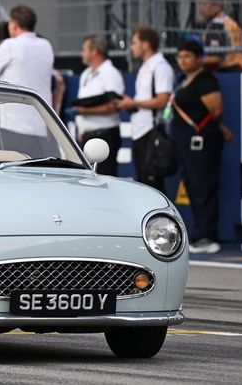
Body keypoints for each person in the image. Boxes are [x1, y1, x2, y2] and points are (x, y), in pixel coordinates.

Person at [172, 40, 231, 254]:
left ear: (199, 59)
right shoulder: (183, 80)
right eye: (180, 57)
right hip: (185, 141)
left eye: (187, 56)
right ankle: (199, 234)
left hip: (201, 141)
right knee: (193, 186)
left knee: (203, 186)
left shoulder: (205, 80)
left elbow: (216, 110)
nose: (183, 61)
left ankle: (208, 236)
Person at [0, 5, 55, 156]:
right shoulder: (46, 46)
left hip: (14, 126)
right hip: (41, 126)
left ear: (14, 25)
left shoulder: (10, 45)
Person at [117, 26, 174, 192]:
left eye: (134, 43)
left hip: (151, 130)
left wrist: (134, 103)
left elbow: (163, 100)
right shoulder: (145, 67)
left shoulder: (160, 66)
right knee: (144, 183)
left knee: (153, 185)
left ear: (146, 44)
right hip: (140, 130)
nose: (132, 47)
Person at [74, 35, 125, 176]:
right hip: (87, 136)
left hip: (105, 136)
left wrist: (84, 111)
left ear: (94, 52)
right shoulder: (85, 74)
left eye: (84, 50)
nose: (82, 54)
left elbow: (114, 106)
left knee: (103, 178)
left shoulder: (111, 74)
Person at [197, 0, 242, 72]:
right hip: (237, 69)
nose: (200, 8)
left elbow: (216, 58)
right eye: (199, 4)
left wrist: (194, 61)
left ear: (218, 4)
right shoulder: (229, 22)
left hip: (225, 70)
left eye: (204, 4)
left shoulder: (217, 25)